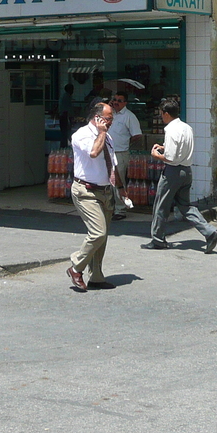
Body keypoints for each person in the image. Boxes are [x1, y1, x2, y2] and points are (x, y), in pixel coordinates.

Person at [143, 99, 217, 254]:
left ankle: (157, 239)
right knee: (185, 206)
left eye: (161, 114)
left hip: (173, 172)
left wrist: (156, 155)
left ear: (165, 113)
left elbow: (171, 158)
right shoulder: (186, 127)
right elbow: (182, 148)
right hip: (186, 171)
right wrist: (165, 147)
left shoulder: (170, 130)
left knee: (161, 205)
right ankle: (209, 230)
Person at [67, 101, 117, 292]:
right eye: (108, 118)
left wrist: (121, 188)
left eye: (111, 118)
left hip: (105, 191)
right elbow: (94, 152)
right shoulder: (82, 135)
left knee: (103, 238)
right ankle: (76, 265)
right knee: (98, 233)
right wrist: (102, 132)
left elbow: (113, 163)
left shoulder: (108, 137)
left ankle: (96, 276)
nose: (110, 122)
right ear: (97, 118)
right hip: (86, 191)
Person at [107, 91, 143, 220]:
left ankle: (120, 210)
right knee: (108, 181)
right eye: (114, 99)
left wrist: (126, 142)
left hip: (120, 153)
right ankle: (110, 207)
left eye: (119, 100)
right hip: (108, 153)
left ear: (125, 103)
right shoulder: (110, 114)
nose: (116, 102)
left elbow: (137, 135)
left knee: (119, 181)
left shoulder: (129, 116)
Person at [57, 83, 74, 148]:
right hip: (65, 117)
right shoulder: (66, 97)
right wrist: (70, 118)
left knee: (64, 133)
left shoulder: (64, 96)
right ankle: (64, 147)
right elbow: (67, 109)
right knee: (65, 133)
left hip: (63, 116)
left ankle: (64, 146)